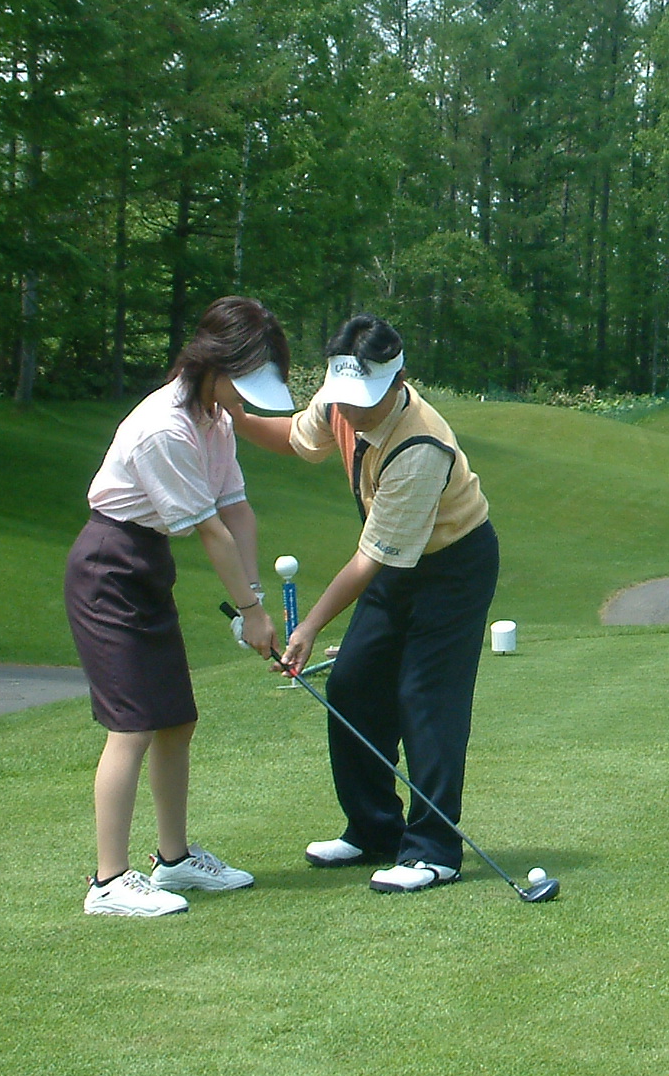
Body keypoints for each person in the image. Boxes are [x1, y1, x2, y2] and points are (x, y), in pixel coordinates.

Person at [231, 314, 498, 893]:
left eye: (364, 400)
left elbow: (369, 560)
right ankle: (374, 829)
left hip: (453, 566)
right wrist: (232, 418)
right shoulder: (340, 401)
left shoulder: (421, 446)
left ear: (397, 380)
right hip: (397, 559)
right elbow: (296, 440)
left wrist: (308, 627)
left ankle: (434, 851)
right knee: (352, 686)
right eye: (343, 399)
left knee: (425, 696)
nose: (350, 412)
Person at [65, 296, 295, 917]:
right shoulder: (164, 428)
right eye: (242, 382)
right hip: (109, 567)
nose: (246, 398)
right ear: (211, 365)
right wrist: (249, 611)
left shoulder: (215, 420)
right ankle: (108, 882)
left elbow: (237, 511)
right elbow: (210, 532)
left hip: (146, 564)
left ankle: (174, 861)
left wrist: (255, 602)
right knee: (132, 725)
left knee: (175, 719)